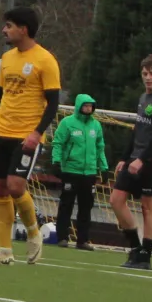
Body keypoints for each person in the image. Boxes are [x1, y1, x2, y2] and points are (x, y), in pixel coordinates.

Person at [0, 7, 60, 265]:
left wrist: (37, 133)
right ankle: (4, 251)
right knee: (1, 189)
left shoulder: (45, 60)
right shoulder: (7, 58)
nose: (4, 30)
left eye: (9, 26)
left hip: (26, 137)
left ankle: (34, 232)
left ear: (23, 29)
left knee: (15, 186)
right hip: (1, 133)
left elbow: (53, 103)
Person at [111, 55, 152, 270]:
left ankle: (145, 257)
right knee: (116, 200)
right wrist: (125, 157)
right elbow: (138, 129)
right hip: (136, 157)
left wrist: (141, 159)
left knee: (148, 206)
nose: (148, 78)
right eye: (144, 74)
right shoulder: (143, 98)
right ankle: (135, 247)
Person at [50, 93, 108, 249]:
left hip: (89, 173)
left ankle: (82, 240)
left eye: (90, 106)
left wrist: (104, 168)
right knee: (66, 205)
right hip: (70, 170)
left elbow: (100, 148)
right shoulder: (67, 123)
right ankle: (62, 237)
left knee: (86, 207)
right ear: (79, 106)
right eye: (85, 106)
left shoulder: (96, 126)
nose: (88, 109)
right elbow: (58, 143)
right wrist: (56, 162)